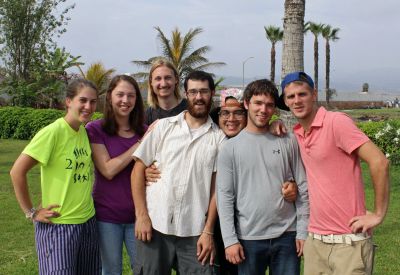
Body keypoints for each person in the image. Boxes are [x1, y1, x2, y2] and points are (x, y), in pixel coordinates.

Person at [281, 71, 390, 275]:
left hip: (348, 243)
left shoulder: (335, 122)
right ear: (286, 102)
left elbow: (379, 162)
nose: (297, 100)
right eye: (291, 96)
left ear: (314, 94)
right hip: (315, 242)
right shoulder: (297, 133)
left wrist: (377, 214)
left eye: (302, 94)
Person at [131, 71, 225, 275]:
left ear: (212, 93)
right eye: (193, 92)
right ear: (185, 94)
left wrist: (208, 231)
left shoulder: (219, 139)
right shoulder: (163, 127)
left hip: (195, 231)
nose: (198, 97)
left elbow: (217, 189)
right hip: (155, 225)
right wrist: (141, 216)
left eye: (204, 91)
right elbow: (138, 170)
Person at [217, 79, 309, 275]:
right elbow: (225, 197)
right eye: (258, 103)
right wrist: (230, 241)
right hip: (249, 238)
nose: (263, 109)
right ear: (246, 104)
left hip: (287, 236)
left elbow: (303, 187)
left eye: (269, 105)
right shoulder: (230, 148)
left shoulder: (288, 140)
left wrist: (302, 231)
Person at [10, 79, 101, 275]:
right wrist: (31, 212)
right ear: (68, 101)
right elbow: (17, 171)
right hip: (58, 226)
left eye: (93, 102)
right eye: (82, 100)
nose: (88, 107)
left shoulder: (83, 133)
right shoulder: (53, 132)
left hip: (87, 222)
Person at [86, 75, 146, 275]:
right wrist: (139, 145)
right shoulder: (96, 129)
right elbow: (108, 170)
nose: (125, 100)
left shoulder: (144, 131)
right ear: (110, 97)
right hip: (107, 216)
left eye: (131, 95)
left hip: (139, 216)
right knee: (111, 270)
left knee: (143, 269)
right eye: (120, 94)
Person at [145, 58, 187, 125]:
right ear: (151, 82)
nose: (163, 84)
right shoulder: (148, 116)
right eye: (158, 78)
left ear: (176, 79)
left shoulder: (190, 109)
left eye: (168, 77)